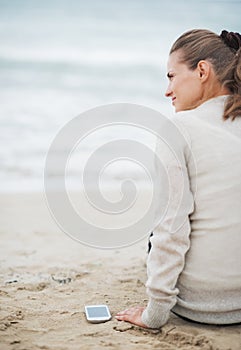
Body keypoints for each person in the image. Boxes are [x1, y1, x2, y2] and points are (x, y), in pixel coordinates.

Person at [115, 29, 241, 328]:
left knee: (158, 230)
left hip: (199, 305)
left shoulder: (180, 127)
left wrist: (154, 314)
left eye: (171, 76)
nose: (167, 91)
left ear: (202, 71)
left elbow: (171, 228)